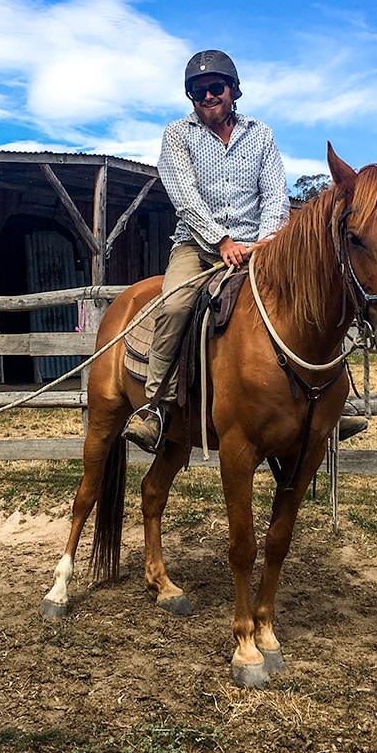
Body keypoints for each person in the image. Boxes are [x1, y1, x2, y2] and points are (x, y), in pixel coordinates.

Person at [123, 49, 290, 453]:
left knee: (311, 290)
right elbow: (184, 198)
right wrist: (222, 241)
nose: (208, 97)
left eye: (216, 88)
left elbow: (275, 194)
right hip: (197, 245)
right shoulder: (178, 135)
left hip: (259, 245)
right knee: (177, 304)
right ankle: (155, 406)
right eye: (199, 92)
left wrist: (266, 239)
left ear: (233, 90)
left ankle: (334, 399)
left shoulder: (261, 134)